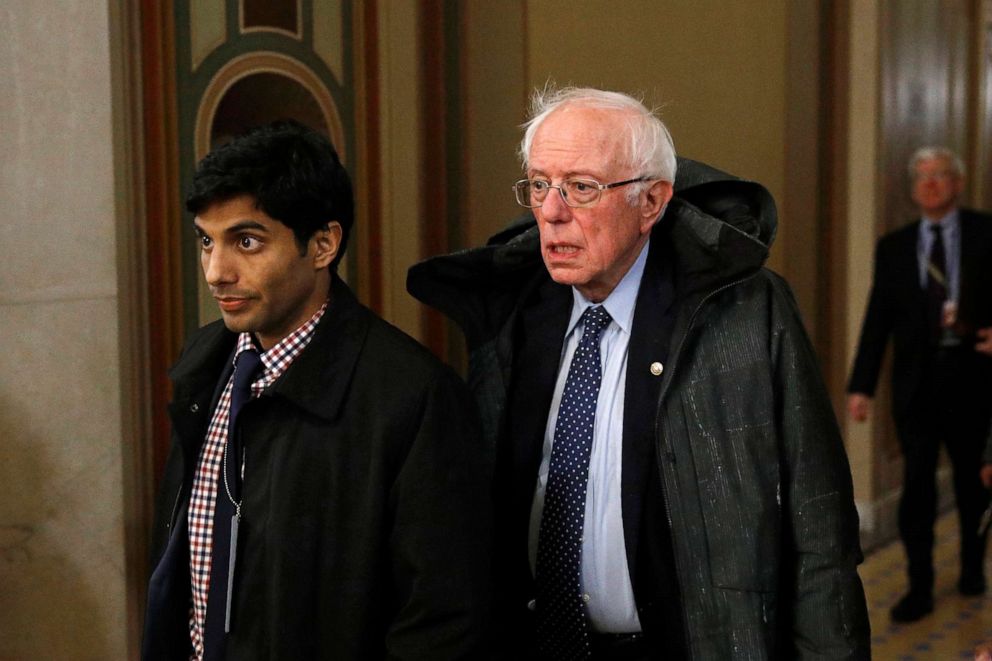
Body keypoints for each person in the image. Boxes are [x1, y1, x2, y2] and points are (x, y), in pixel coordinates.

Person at [409, 87, 870, 659]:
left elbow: (818, 521)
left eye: (582, 188)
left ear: (651, 202)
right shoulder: (510, 314)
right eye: (539, 184)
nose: (552, 212)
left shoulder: (747, 312)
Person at [142, 120, 491, 660]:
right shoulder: (204, 364)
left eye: (247, 241)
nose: (216, 271)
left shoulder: (414, 396)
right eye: (206, 242)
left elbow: (442, 624)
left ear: (323, 244)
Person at [848, 146, 992, 623]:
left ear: (958, 183)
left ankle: (973, 566)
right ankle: (919, 584)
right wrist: (861, 386)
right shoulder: (895, 246)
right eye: (922, 177)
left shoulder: (985, 233)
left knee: (975, 484)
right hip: (916, 387)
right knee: (917, 488)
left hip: (974, 379)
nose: (930, 183)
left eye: (940, 175)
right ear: (913, 189)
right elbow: (877, 319)